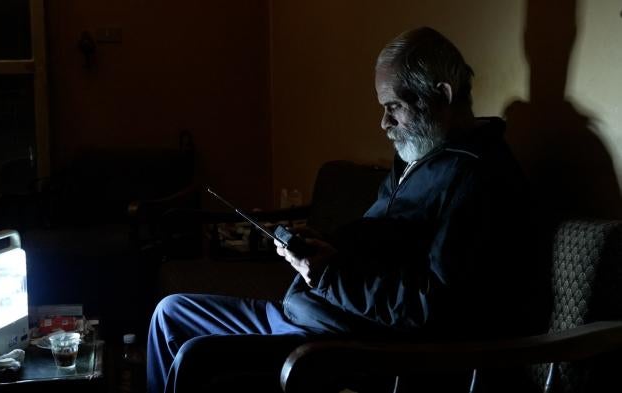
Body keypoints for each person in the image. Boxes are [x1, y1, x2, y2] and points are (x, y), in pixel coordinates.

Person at [147, 26, 546, 393]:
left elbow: (432, 306)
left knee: (195, 355)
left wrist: (328, 275)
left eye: (394, 107)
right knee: (170, 313)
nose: (384, 122)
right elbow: (375, 239)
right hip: (309, 314)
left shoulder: (477, 177)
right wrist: (324, 248)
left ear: (442, 95)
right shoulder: (418, 159)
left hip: (349, 343)